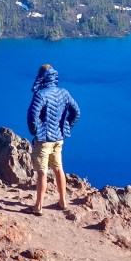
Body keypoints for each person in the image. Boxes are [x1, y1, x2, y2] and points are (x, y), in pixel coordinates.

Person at [26, 64, 80, 215]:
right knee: (58, 169)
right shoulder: (64, 92)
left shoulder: (41, 95)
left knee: (42, 173)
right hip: (58, 139)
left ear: (41, 76)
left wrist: (35, 131)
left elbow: (32, 116)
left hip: (44, 141)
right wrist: (66, 127)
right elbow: (76, 112)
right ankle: (63, 202)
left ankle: (38, 207)